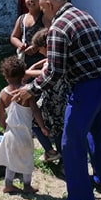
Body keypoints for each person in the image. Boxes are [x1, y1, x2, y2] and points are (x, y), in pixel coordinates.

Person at [11, 0, 101, 200]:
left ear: (49, 5)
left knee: (71, 141)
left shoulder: (59, 27)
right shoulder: (85, 15)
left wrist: (30, 89)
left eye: (43, 9)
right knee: (96, 131)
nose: (44, 14)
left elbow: (54, 72)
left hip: (87, 87)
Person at [0, 56, 48, 195]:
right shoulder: (26, 93)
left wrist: (4, 127)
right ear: (24, 74)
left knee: (11, 160)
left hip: (10, 134)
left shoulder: (3, 93)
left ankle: (8, 184)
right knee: (27, 160)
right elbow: (35, 111)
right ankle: (27, 185)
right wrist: (42, 127)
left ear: (6, 77)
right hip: (24, 135)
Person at [27, 28, 66, 161]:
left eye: (39, 49)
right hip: (59, 97)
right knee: (58, 127)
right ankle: (60, 156)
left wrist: (27, 73)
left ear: (46, 46)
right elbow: (45, 61)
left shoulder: (52, 61)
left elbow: (46, 72)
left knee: (37, 122)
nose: (39, 52)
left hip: (53, 98)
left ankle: (52, 152)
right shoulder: (58, 55)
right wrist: (33, 66)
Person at [10, 0, 49, 68]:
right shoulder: (22, 19)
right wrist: (20, 45)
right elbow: (14, 37)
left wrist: (36, 47)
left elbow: (49, 34)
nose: (32, 0)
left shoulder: (44, 18)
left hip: (41, 60)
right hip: (25, 60)